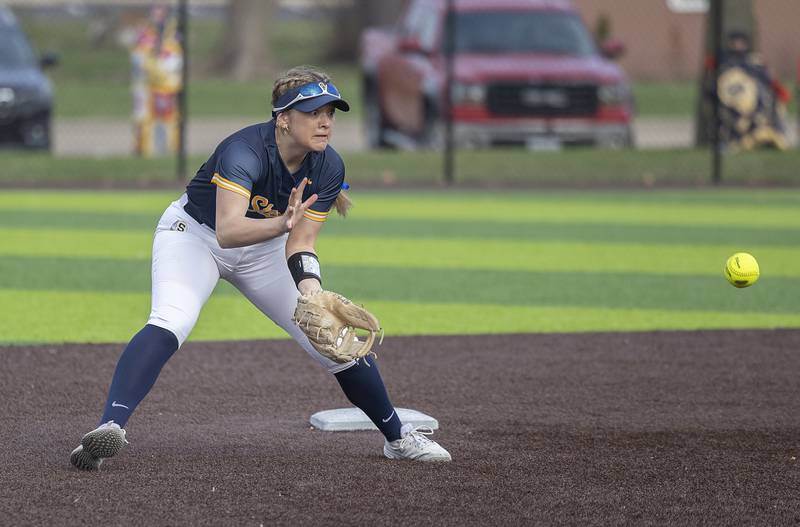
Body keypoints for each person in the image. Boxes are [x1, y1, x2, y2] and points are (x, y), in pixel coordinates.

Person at [69, 65, 451, 470]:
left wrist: (311, 291)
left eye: (331, 113)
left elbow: (301, 243)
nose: (325, 122)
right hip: (194, 236)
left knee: (333, 341)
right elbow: (229, 232)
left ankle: (398, 438)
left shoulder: (328, 166)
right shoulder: (244, 150)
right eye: (313, 112)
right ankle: (108, 429)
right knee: (171, 320)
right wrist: (282, 223)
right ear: (283, 119)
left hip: (266, 251)